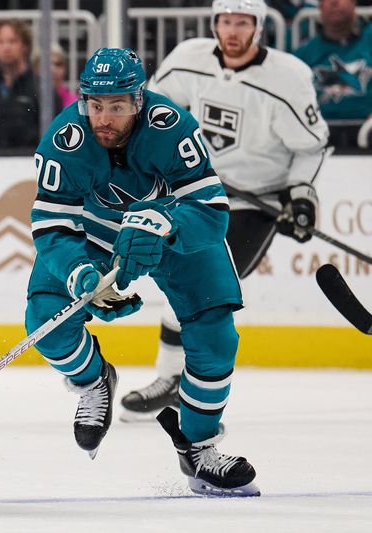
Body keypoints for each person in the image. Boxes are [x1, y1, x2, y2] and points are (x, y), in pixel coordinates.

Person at [26, 47, 259, 496]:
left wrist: (167, 222)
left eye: (116, 106)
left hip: (171, 231)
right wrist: (79, 274)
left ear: (138, 99)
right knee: (45, 322)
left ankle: (199, 447)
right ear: (83, 101)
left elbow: (211, 212)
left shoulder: (173, 129)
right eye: (96, 105)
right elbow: (52, 226)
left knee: (216, 335)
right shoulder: (62, 142)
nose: (104, 119)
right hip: (94, 235)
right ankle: (93, 380)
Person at [119, 0, 329, 423]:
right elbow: (153, 114)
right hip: (198, 193)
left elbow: (311, 147)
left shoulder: (288, 78)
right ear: (215, 23)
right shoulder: (187, 60)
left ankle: (182, 387)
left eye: (242, 22)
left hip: (255, 202)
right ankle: (173, 384)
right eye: (225, 21)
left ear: (259, 27)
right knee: (184, 283)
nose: (232, 31)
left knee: (204, 290)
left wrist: (301, 196)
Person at [294, 0, 372, 147]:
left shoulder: (369, 39)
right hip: (319, 139)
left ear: (353, 3)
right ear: (320, 6)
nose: (334, 2)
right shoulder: (303, 56)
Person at [0, 19, 40, 149]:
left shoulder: (39, 87)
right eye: (1, 42)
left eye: (13, 41)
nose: (6, 47)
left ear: (24, 46)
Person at [32, 42, 78, 115]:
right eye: (46, 64)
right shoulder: (29, 100)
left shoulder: (74, 105)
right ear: (35, 68)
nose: (53, 70)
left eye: (58, 64)